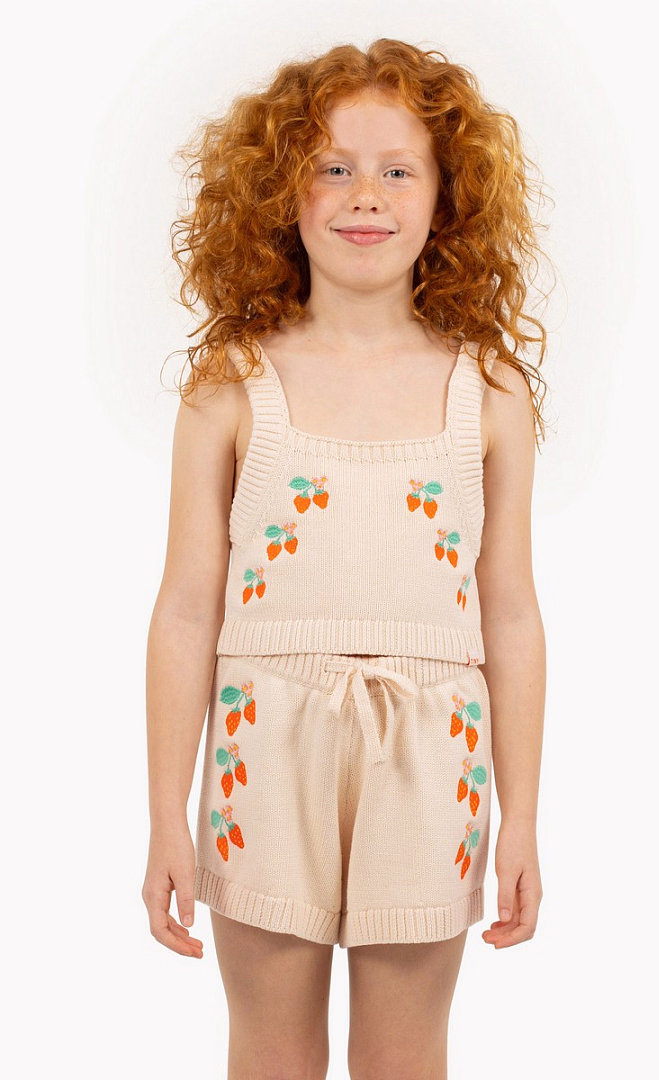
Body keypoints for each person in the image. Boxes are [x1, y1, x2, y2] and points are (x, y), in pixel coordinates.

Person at [143, 37, 550, 1079]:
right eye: (333, 166)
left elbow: (509, 610)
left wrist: (522, 817)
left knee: (405, 1059)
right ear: (282, 190)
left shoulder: (490, 391)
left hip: (436, 752)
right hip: (263, 743)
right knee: (271, 1054)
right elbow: (186, 608)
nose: (365, 194)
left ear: (445, 200)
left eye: (398, 169)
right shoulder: (231, 383)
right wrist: (165, 818)